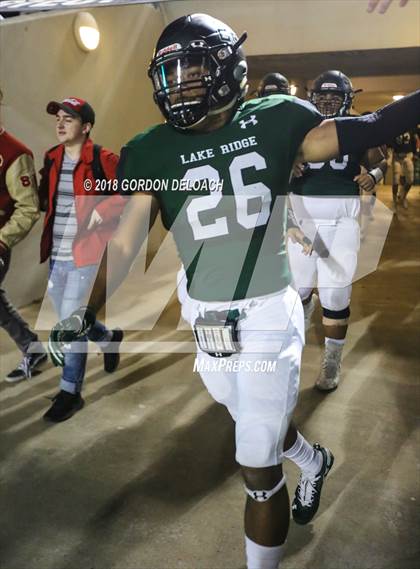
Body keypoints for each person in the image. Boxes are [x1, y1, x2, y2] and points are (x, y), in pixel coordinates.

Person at [47, 14, 420, 569]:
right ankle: (313, 459)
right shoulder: (148, 150)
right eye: (168, 75)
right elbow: (126, 242)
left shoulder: (276, 119)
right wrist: (84, 311)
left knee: (255, 462)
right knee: (248, 416)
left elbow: (366, 128)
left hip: (268, 310)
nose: (178, 86)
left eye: (190, 70)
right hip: (204, 315)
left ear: (226, 68)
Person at [288, 70, 387, 392]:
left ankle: (332, 358)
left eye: (334, 96)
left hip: (341, 220)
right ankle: (297, 330)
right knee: (296, 292)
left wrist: (373, 174)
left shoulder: (359, 127)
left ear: (347, 98)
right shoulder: (297, 126)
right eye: (322, 95)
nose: (328, 101)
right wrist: (287, 163)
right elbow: (270, 163)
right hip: (301, 220)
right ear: (311, 96)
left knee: (335, 293)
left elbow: (380, 159)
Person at [39, 97, 125, 422]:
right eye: (58, 118)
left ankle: (70, 392)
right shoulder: (52, 158)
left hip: (85, 254)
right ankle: (109, 338)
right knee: (73, 317)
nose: (60, 124)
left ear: (85, 127)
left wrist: (99, 215)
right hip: (57, 255)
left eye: (69, 119)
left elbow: (125, 195)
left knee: (71, 326)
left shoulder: (103, 159)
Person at [0, 87, 47, 382]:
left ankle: (33, 348)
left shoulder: (15, 153)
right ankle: (33, 347)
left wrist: (2, 240)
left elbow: (28, 208)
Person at [389, 129, 417, 210]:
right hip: (397, 157)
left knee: (410, 180)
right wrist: (390, 157)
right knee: (395, 181)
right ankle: (394, 202)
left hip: (408, 156)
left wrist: (415, 153)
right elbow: (390, 144)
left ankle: (404, 197)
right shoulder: (394, 128)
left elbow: (414, 140)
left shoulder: (411, 127)